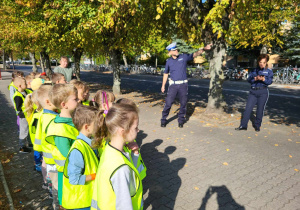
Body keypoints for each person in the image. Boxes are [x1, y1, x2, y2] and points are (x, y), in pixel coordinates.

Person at [91, 104, 143, 210]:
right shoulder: (120, 168)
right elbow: (124, 206)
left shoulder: (109, 150)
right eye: (135, 127)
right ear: (122, 131)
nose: (138, 130)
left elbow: (129, 174)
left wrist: (135, 154)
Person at [161, 42, 212, 128]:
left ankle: (181, 120)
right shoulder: (169, 61)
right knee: (168, 103)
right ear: (170, 52)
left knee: (183, 103)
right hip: (173, 85)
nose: (177, 50)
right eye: (174, 50)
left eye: (176, 49)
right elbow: (166, 73)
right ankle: (163, 120)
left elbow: (195, 54)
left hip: (183, 85)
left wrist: (204, 49)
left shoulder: (183, 57)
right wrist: (163, 85)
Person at [45, 84, 79, 206]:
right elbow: (68, 154)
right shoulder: (60, 129)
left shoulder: (73, 120)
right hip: (69, 175)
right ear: (64, 105)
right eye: (75, 99)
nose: (79, 100)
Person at [62, 105, 99, 210]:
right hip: (83, 203)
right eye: (97, 124)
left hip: (90, 198)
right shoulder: (77, 150)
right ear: (87, 127)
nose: (100, 126)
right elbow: (74, 179)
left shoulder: (90, 142)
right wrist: (95, 176)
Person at [235, 54, 273, 132]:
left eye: (264, 62)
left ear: (266, 63)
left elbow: (269, 82)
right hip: (253, 91)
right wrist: (254, 79)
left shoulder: (269, 71)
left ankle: (257, 125)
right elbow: (249, 80)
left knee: (260, 110)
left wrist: (263, 80)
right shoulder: (254, 70)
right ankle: (243, 125)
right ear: (258, 62)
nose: (261, 64)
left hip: (263, 92)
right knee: (248, 109)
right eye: (260, 62)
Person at [13, 77, 32, 153]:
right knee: (23, 131)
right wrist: (27, 106)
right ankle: (22, 147)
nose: (27, 84)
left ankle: (29, 143)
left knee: (29, 129)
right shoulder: (17, 96)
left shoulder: (26, 91)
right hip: (23, 116)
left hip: (28, 115)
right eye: (25, 84)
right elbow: (18, 108)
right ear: (20, 86)